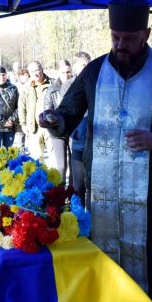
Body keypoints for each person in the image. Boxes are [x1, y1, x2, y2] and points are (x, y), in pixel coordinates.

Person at [39, 0, 152, 302]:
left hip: (150, 202)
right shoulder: (95, 71)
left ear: (146, 33)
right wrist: (55, 120)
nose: (119, 45)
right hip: (100, 201)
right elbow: (68, 114)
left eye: (128, 38)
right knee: (102, 279)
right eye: (115, 37)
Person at [62, 52, 92, 205]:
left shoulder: (96, 82)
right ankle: (78, 218)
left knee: (92, 185)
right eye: (83, 66)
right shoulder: (69, 85)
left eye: (88, 65)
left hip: (93, 140)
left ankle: (91, 218)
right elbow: (68, 112)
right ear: (75, 67)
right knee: (78, 185)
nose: (87, 68)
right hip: (78, 139)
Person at [19, 61, 56, 166]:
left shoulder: (53, 84)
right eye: (32, 71)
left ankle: (56, 182)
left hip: (51, 127)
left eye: (37, 70)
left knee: (54, 158)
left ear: (42, 69)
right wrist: (23, 124)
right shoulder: (26, 88)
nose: (35, 73)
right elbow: (22, 107)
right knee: (37, 160)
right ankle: (42, 182)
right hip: (34, 128)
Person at [44, 60, 73, 185]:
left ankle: (73, 194)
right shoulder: (51, 89)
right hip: (57, 131)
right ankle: (60, 194)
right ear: (58, 72)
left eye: (68, 72)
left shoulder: (77, 85)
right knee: (61, 166)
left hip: (73, 129)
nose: (66, 75)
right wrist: (53, 119)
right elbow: (47, 110)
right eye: (63, 72)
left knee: (74, 165)